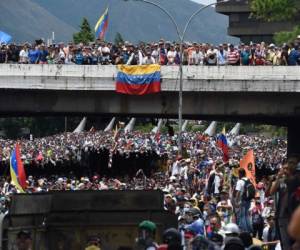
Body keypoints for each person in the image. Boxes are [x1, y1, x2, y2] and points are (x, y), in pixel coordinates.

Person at [234, 168, 252, 232]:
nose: (238, 175)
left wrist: (236, 202)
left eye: (238, 173)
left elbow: (238, 192)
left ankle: (245, 231)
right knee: (247, 215)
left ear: (240, 174)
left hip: (243, 200)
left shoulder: (240, 181)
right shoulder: (248, 180)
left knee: (243, 216)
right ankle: (249, 230)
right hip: (249, 200)